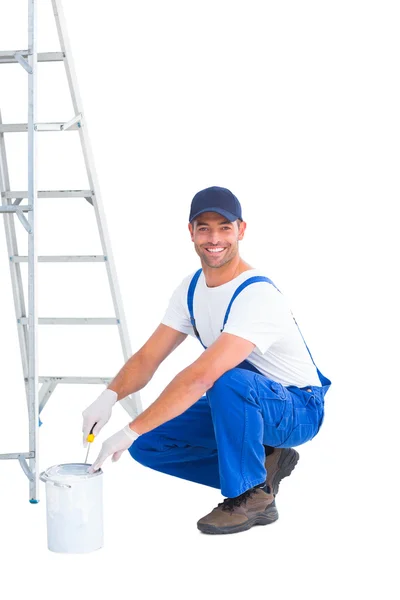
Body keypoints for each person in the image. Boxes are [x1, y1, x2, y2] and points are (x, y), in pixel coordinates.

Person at [82, 185, 331, 535]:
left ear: (241, 230)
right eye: (204, 228)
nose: (214, 238)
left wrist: (126, 429)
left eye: (224, 228)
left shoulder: (257, 294)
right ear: (191, 233)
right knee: (150, 443)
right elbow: (149, 356)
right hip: (246, 401)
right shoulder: (191, 288)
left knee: (225, 380)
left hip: (297, 410)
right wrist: (107, 398)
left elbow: (202, 377)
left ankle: (248, 495)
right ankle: (264, 470)